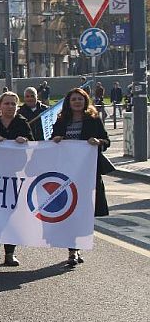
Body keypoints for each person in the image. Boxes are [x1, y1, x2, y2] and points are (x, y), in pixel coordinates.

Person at [51, 87, 111, 268]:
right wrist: (56, 140)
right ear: (68, 103)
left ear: (85, 101)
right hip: (67, 174)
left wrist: (99, 142)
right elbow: (53, 139)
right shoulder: (62, 121)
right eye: (73, 99)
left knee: (83, 212)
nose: (77, 102)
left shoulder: (93, 120)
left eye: (80, 99)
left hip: (87, 173)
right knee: (70, 211)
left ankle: (77, 246)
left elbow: (106, 141)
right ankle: (72, 250)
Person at [0, 91, 33, 267]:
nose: (10, 107)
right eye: (6, 103)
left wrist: (25, 140)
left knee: (12, 213)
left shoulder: (22, 122)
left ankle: (10, 253)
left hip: (15, 175)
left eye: (13, 104)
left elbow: (33, 143)